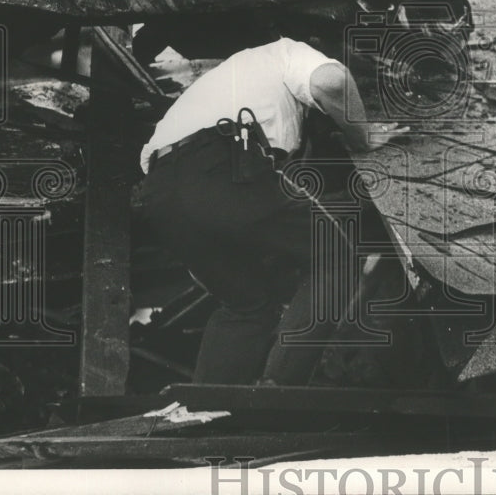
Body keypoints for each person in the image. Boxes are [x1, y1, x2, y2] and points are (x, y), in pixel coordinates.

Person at [133, 30, 407, 384]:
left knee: (246, 304)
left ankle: (208, 410)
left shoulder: (227, 79)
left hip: (161, 192)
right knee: (335, 255)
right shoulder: (289, 53)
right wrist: (363, 135)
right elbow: (332, 81)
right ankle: (281, 389)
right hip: (223, 165)